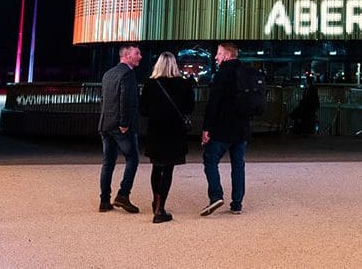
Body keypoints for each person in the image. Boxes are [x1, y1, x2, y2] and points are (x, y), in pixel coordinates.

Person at [139, 51, 194, 223]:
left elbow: (143, 110)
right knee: (168, 170)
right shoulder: (184, 84)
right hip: (175, 132)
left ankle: (156, 201)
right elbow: (189, 108)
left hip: (155, 131)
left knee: (156, 168)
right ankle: (160, 208)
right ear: (174, 65)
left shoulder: (150, 84)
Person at [201, 42, 250, 216]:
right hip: (242, 128)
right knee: (238, 164)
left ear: (227, 55)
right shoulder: (246, 72)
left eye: (219, 54)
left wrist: (207, 128)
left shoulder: (222, 74)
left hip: (222, 127)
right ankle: (237, 203)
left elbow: (213, 103)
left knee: (210, 158)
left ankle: (216, 195)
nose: (216, 57)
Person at [98, 44, 142, 213]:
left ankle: (104, 200)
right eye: (137, 53)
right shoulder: (128, 74)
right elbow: (127, 100)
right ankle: (123, 194)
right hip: (121, 126)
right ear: (126, 55)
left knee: (107, 163)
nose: (140, 57)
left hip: (105, 124)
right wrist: (124, 123)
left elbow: (105, 99)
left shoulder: (108, 74)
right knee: (133, 159)